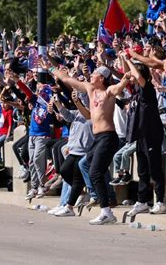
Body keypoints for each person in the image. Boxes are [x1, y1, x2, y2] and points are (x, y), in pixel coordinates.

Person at [42, 59, 132, 225]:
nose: (92, 75)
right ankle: (75, 202)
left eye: (95, 73)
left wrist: (126, 78)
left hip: (108, 138)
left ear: (102, 78)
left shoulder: (109, 92)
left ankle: (106, 211)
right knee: (83, 164)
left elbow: (119, 88)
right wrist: (51, 68)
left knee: (95, 172)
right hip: (97, 139)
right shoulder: (90, 90)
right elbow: (69, 80)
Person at [119, 55, 166, 217]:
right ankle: (142, 202)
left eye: (134, 74)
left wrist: (130, 61)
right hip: (140, 136)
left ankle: (160, 201)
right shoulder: (137, 91)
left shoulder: (148, 89)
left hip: (151, 134)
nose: (131, 77)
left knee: (154, 170)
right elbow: (129, 75)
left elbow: (138, 76)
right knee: (142, 170)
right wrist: (123, 59)